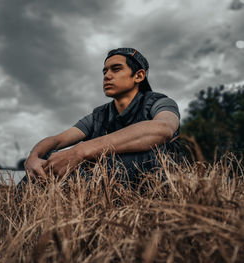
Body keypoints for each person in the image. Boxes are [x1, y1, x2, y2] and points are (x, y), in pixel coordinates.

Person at [24, 48, 180, 185]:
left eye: (116, 69)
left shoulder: (160, 102)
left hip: (150, 180)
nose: (107, 76)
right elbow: (57, 140)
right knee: (49, 161)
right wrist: (33, 157)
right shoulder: (99, 115)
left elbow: (163, 129)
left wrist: (81, 151)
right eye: (105, 71)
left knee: (142, 156)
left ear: (138, 76)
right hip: (101, 180)